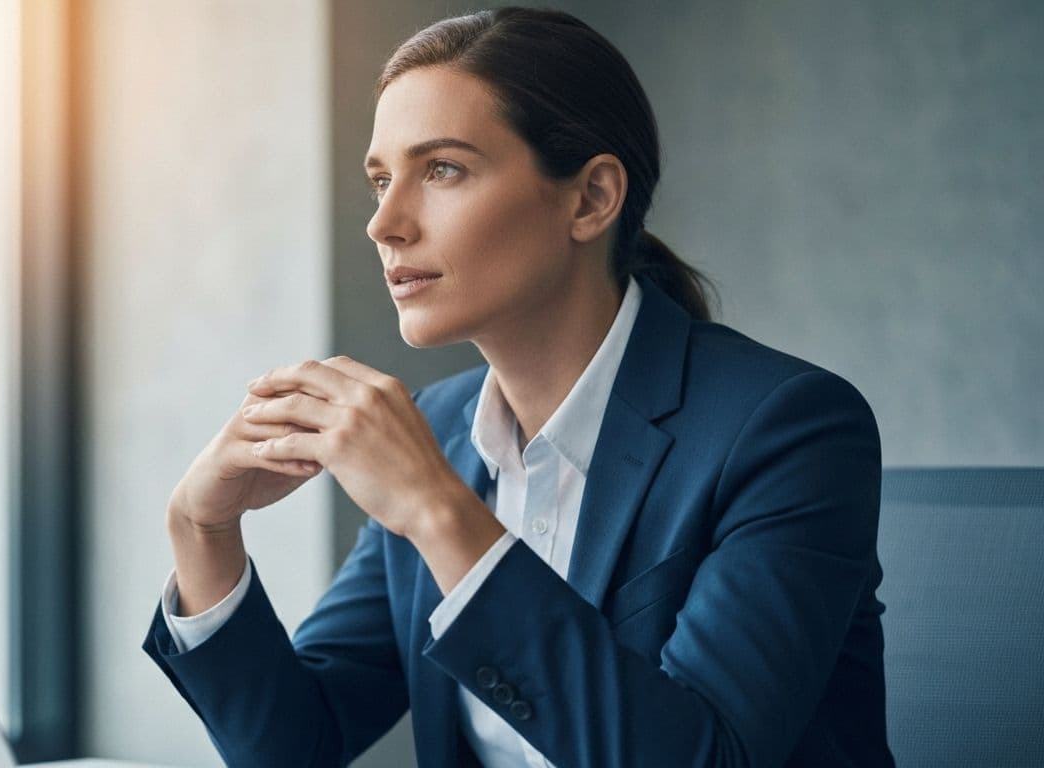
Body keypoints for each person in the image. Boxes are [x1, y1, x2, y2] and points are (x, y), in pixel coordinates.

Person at [143, 7, 893, 767]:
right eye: (380, 180)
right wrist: (201, 530)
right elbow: (295, 748)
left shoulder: (788, 429)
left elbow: (706, 757)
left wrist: (438, 512)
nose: (385, 223)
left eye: (442, 169)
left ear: (591, 198)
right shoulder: (436, 428)